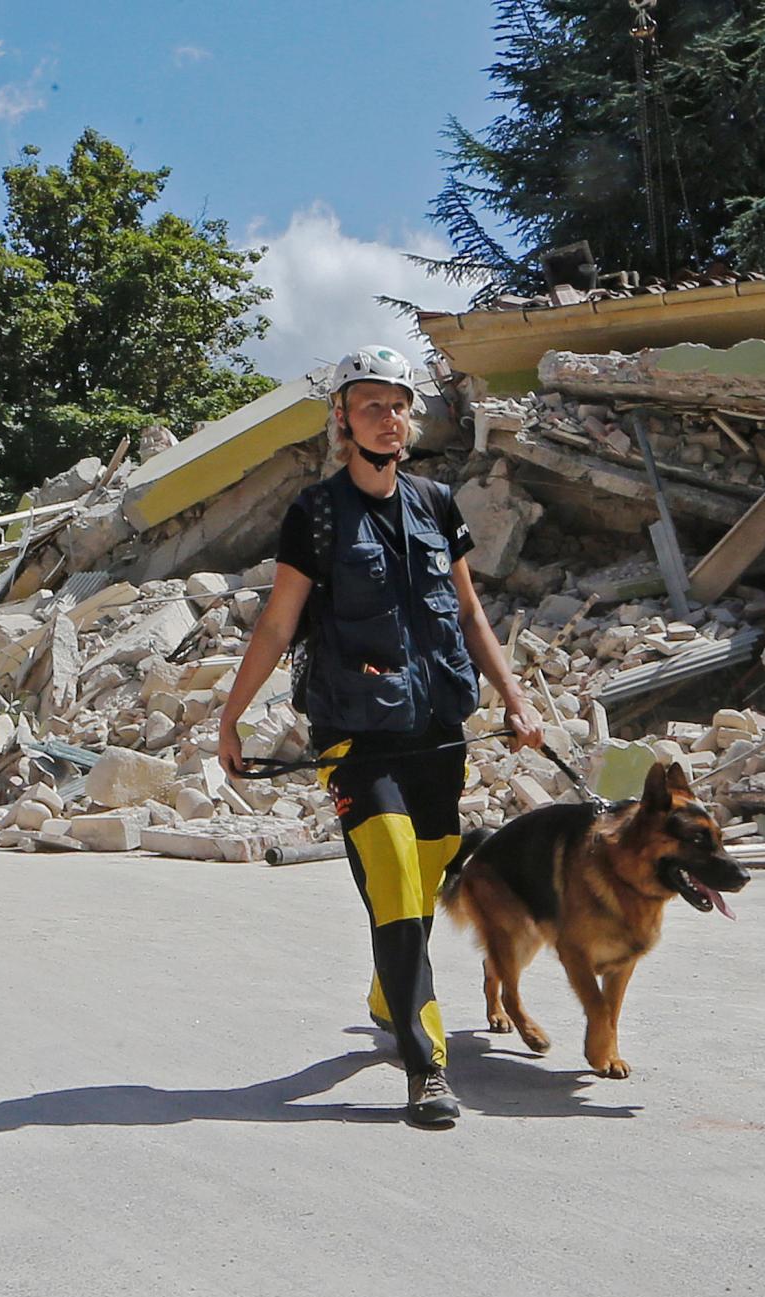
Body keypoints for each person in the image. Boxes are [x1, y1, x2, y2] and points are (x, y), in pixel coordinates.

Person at [217, 345, 545, 1129]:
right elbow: (278, 622)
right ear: (341, 417)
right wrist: (230, 714)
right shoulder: (317, 514)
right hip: (354, 733)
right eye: (371, 405)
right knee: (397, 874)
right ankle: (427, 1065)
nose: (388, 419)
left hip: (436, 728)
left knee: (430, 865)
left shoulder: (435, 505)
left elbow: (469, 614)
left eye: (398, 406)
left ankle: (387, 985)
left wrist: (515, 699)